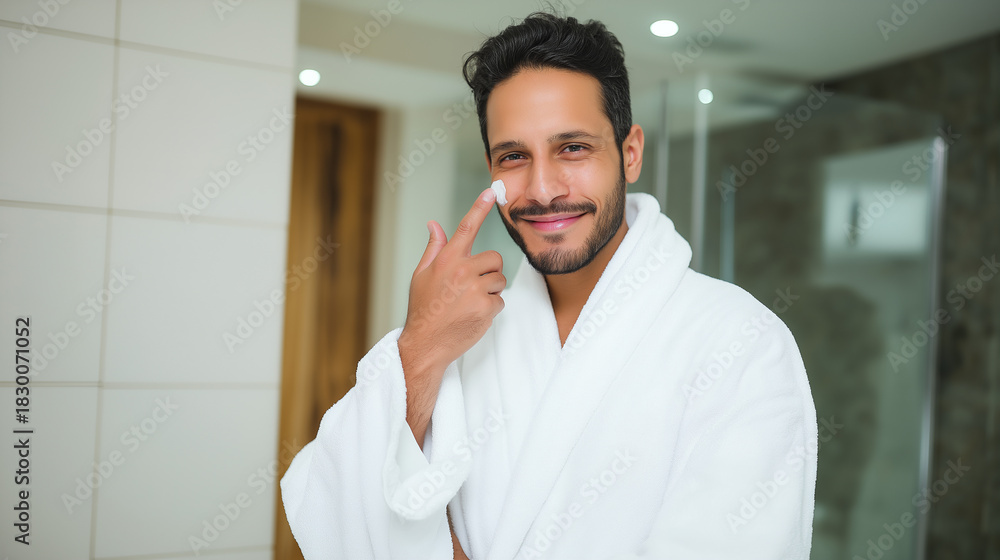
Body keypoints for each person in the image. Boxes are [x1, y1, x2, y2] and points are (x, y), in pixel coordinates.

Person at [281, 12, 817, 559]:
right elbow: (330, 506)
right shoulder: (458, 335)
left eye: (573, 148)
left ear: (630, 153)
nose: (541, 189)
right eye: (513, 157)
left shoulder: (739, 341)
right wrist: (419, 345)